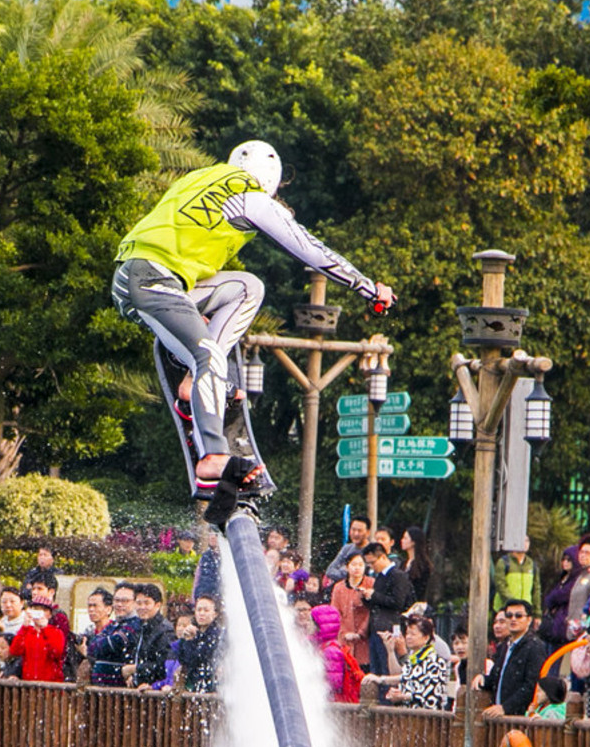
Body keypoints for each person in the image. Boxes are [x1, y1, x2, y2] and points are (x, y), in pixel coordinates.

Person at [111, 141, 394, 490]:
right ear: (271, 181)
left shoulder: (200, 179)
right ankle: (213, 455)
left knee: (248, 288)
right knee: (209, 355)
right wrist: (368, 288)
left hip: (149, 276)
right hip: (151, 281)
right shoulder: (251, 196)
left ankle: (194, 384)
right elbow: (308, 248)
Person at [472, 598, 547, 719]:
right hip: (500, 716)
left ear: (529, 620)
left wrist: (505, 707)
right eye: (509, 615)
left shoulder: (535, 646)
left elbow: (532, 685)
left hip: (520, 718)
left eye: (518, 616)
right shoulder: (505, 645)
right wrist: (483, 680)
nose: (513, 619)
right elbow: (496, 678)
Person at [365, 614, 447, 710]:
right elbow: (400, 675)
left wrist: (402, 696)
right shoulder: (414, 658)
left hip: (425, 718)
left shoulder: (435, 661)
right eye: (407, 633)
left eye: (413, 634)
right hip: (406, 715)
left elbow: (430, 696)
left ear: (426, 638)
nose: (408, 637)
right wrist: (390, 650)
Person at [364, 543, 415, 681]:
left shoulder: (398, 575)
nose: (371, 566)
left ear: (382, 557)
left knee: (387, 670)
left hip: (390, 628)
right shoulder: (380, 576)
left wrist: (374, 595)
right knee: (376, 670)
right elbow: (378, 601)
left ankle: (386, 701)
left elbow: (398, 602)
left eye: (372, 562)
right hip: (375, 628)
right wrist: (367, 597)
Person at [86, 582, 140, 686]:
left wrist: (101, 644)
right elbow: (91, 647)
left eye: (125, 601)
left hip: (120, 690)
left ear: (135, 603)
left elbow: (114, 643)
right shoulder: (114, 624)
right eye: (117, 600)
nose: (119, 604)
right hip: (103, 690)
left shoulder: (136, 624)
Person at [122, 584, 174, 689]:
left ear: (157, 605)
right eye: (139, 603)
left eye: (147, 603)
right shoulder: (140, 627)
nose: (142, 607)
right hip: (139, 689)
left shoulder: (165, 631)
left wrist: (136, 669)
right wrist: (134, 676)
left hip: (155, 691)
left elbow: (164, 665)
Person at [330, 550, 373, 671]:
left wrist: (361, 632)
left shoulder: (371, 584)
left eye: (360, 565)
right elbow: (335, 613)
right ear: (347, 567)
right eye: (354, 565)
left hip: (365, 640)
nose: (357, 568)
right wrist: (343, 632)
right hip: (345, 639)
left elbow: (372, 611)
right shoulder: (339, 587)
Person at [310, 604, 362, 703]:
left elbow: (334, 683)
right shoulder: (322, 646)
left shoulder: (331, 651)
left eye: (312, 622)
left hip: (333, 701)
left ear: (319, 625)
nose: (309, 624)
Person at [9, 601, 66, 683]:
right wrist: (24, 627)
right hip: (29, 686)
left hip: (51, 686)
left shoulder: (56, 632)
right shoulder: (27, 632)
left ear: (50, 615)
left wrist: (45, 628)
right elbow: (14, 651)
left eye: (44, 610)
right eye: (36, 609)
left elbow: (56, 652)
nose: (39, 613)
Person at [177, 596, 223, 693]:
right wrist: (185, 639)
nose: (201, 613)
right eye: (199, 610)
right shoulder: (196, 633)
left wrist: (190, 641)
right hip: (195, 687)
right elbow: (183, 659)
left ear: (215, 614)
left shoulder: (216, 634)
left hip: (210, 688)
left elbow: (198, 659)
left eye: (206, 610)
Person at [539, 546, 581, 655]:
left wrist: (552, 598)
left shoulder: (576, 578)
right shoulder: (562, 577)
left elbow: (562, 595)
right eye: (563, 559)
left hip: (564, 624)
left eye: (569, 559)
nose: (565, 562)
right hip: (553, 623)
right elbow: (550, 598)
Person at [493, 535, 542, 619]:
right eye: (522, 540)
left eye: (527, 541)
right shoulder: (504, 562)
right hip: (504, 610)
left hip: (524, 612)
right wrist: (513, 603)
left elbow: (536, 590)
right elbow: (500, 585)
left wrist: (537, 613)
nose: (525, 543)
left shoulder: (531, 564)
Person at [324, 515, 372, 585]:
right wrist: (349, 574)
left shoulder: (373, 550)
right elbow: (330, 571)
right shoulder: (346, 548)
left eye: (359, 531)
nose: (356, 534)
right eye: (353, 530)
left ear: (368, 533)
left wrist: (343, 570)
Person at [399, 526, 433, 602]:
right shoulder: (403, 563)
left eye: (405, 538)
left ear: (413, 542)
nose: (402, 541)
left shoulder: (423, 565)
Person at [193, 528, 221, 601]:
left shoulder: (226, 556)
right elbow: (197, 578)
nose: (212, 537)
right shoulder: (205, 556)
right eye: (210, 534)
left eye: (216, 535)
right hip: (205, 595)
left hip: (219, 596)